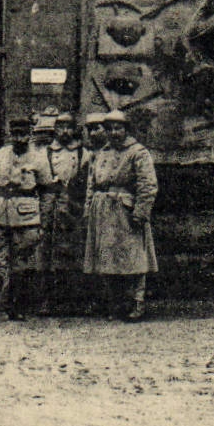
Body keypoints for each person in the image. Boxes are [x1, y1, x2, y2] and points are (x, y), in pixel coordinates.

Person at [0, 117, 54, 324]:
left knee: (21, 264)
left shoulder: (39, 158)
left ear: (30, 133)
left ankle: (17, 306)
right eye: (15, 132)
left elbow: (47, 192)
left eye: (23, 132)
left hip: (26, 218)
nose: (19, 137)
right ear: (9, 133)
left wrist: (42, 221)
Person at [82, 110, 159, 322]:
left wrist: (141, 212)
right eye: (110, 129)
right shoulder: (101, 153)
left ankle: (137, 302)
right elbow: (91, 183)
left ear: (126, 129)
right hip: (103, 211)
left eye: (119, 128)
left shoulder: (138, 152)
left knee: (133, 258)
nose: (114, 133)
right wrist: (89, 209)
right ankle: (114, 303)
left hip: (126, 211)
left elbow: (148, 185)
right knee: (107, 258)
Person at [38, 112, 86, 314]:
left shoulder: (84, 153)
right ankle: (48, 300)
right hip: (51, 207)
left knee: (74, 252)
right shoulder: (45, 152)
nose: (64, 132)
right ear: (55, 129)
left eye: (68, 127)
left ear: (74, 129)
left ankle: (73, 300)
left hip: (74, 207)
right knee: (48, 253)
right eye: (60, 127)